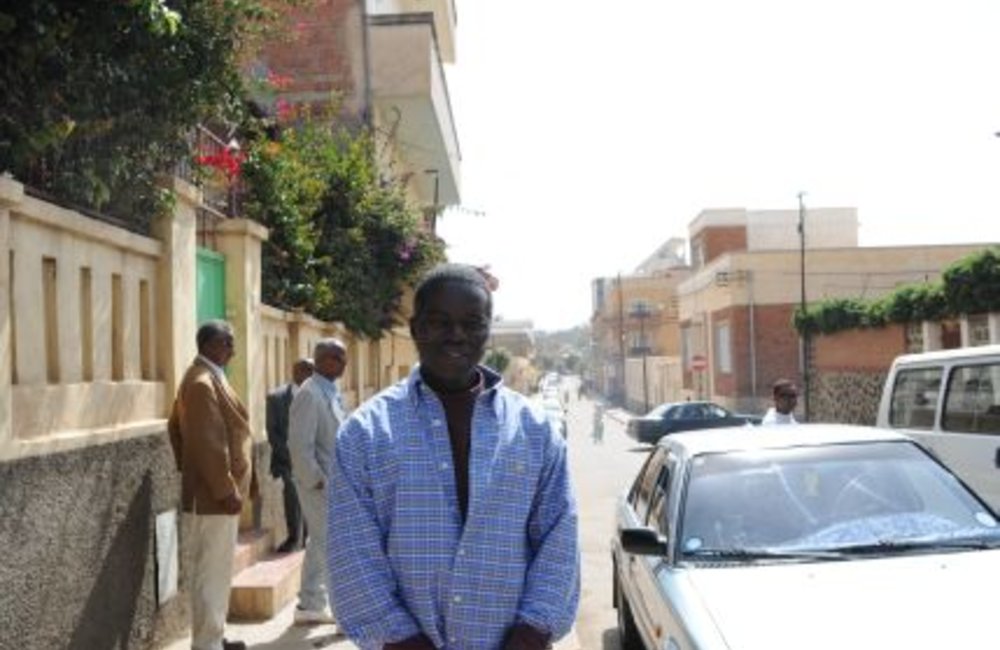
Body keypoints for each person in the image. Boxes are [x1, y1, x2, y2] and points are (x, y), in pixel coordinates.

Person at [328, 263, 580, 650]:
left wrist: (530, 634)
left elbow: (559, 539)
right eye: (439, 322)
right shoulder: (365, 434)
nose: (456, 335)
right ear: (416, 329)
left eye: (472, 323)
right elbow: (352, 558)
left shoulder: (536, 431)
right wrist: (402, 641)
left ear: (488, 331)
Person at [168, 320, 255, 650]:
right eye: (225, 343)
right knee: (210, 572)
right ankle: (207, 644)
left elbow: (175, 429)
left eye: (232, 343)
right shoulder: (201, 382)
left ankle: (212, 637)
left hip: (214, 494)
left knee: (217, 572)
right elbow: (208, 444)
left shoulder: (207, 377)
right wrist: (224, 489)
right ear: (206, 345)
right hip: (214, 498)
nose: (232, 350)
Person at [288, 338, 348, 625]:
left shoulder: (331, 391)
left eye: (344, 358)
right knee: (331, 545)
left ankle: (309, 604)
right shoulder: (309, 394)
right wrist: (318, 480)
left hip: (333, 482)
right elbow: (299, 445)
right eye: (337, 358)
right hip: (318, 484)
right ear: (322, 360)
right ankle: (344, 613)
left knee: (319, 543)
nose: (344, 363)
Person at [266, 357, 314, 554]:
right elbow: (273, 433)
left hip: (312, 459)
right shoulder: (276, 398)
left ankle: (308, 536)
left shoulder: (318, 396)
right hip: (286, 461)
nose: (313, 375)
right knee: (293, 490)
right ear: (296, 373)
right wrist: (293, 457)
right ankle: (294, 537)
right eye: (308, 371)